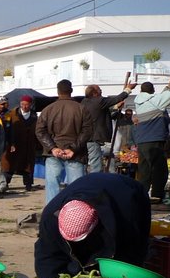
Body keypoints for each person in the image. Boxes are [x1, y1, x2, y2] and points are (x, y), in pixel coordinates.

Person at [34, 174, 151, 278]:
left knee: (130, 252)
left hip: (127, 190)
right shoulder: (50, 216)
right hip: (89, 185)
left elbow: (132, 245)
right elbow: (47, 254)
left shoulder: (126, 211)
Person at [35, 79, 92, 207]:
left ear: (58, 91)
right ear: (71, 91)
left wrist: (53, 148)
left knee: (52, 186)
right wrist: (73, 149)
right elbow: (87, 131)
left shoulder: (48, 110)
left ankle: (51, 214)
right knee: (76, 188)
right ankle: (75, 214)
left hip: (54, 154)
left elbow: (39, 131)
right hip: (75, 154)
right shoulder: (81, 109)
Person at [133, 73, 170, 204]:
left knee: (144, 170)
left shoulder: (139, 102)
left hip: (141, 141)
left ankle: (141, 195)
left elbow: (160, 99)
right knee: (159, 169)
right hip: (154, 140)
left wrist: (169, 85)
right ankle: (156, 196)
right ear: (152, 91)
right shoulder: (155, 102)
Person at [82, 74, 134, 173]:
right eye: (99, 89)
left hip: (87, 138)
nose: (101, 91)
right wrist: (128, 89)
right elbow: (117, 98)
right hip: (93, 139)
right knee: (96, 165)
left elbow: (100, 112)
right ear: (94, 93)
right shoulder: (99, 101)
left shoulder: (85, 102)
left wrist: (115, 107)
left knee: (90, 163)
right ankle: (96, 185)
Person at [7, 96, 40, 192]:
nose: (24, 107)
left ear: (30, 105)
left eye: (27, 104)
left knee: (28, 166)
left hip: (29, 145)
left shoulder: (34, 116)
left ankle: (28, 185)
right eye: (23, 104)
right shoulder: (13, 114)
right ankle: (5, 184)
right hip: (15, 145)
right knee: (10, 166)